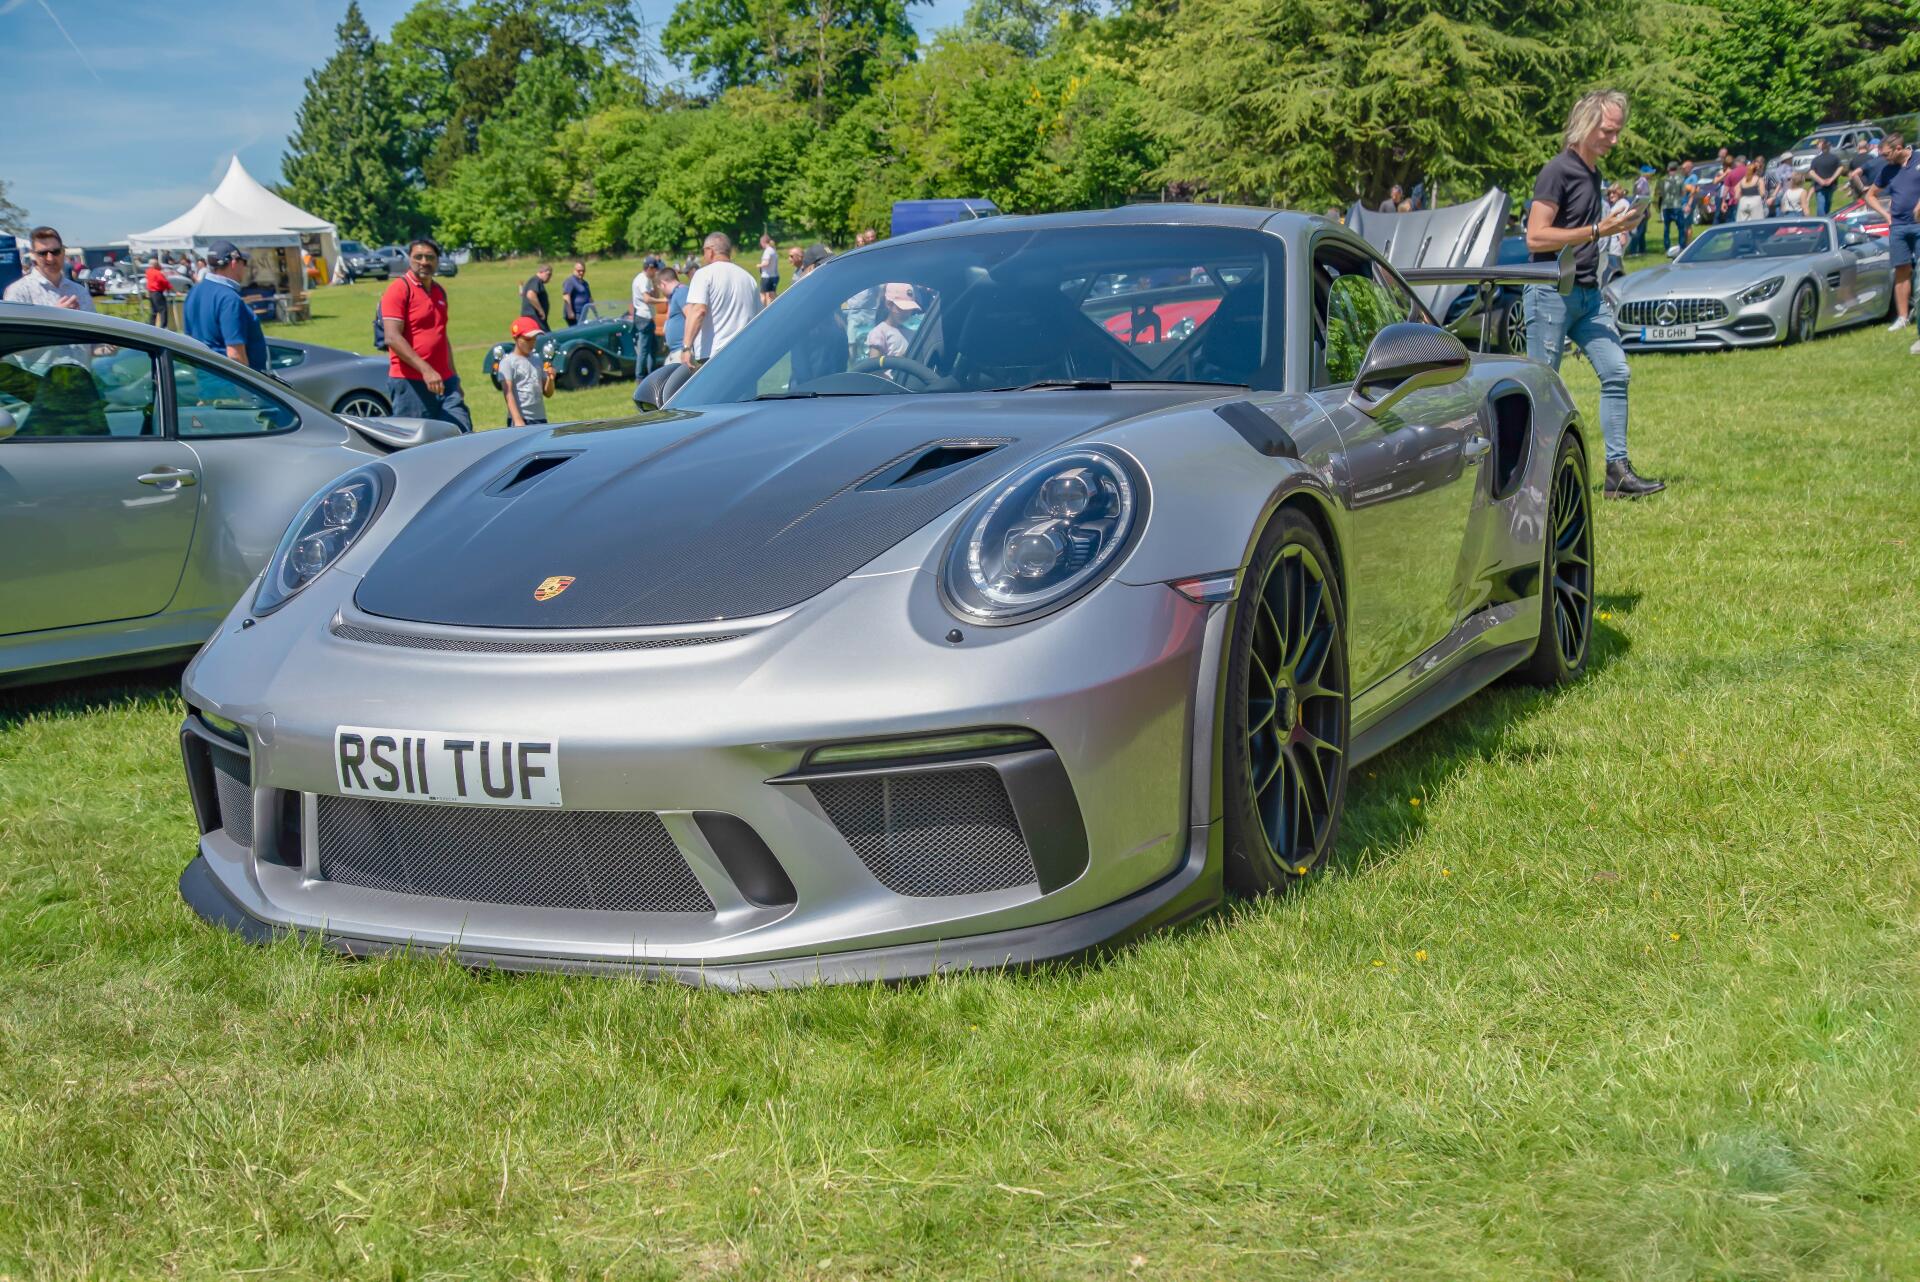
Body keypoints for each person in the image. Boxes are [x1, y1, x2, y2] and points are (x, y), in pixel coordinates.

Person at [1524, 89, 1663, 498]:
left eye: (1618, 131)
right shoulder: (1558, 171)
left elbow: (1585, 229)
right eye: (1608, 130)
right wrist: (1600, 230)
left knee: (1616, 370)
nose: (1614, 140)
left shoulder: (1592, 172)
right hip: (1550, 291)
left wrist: (1618, 221)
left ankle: (1617, 474)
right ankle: (1534, 482)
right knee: (1544, 388)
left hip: (1587, 293)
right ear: (1586, 123)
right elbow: (1536, 236)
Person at [380, 238, 472, 432]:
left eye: (430, 257)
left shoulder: (439, 291)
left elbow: (441, 336)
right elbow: (392, 337)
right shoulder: (399, 289)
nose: (424, 262)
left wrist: (454, 376)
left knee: (462, 433)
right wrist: (426, 370)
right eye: (418, 257)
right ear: (409, 259)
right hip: (411, 383)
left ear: (437, 261)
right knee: (415, 446)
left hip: (445, 381)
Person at [1864, 133, 1919, 347]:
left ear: (1898, 148)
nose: (1884, 158)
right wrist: (1886, 216)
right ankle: (1903, 317)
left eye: (1886, 154)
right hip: (1898, 226)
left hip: (1919, 224)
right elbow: (1870, 195)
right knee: (1901, 270)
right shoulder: (1887, 170)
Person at [677, 231, 761, 366]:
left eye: (703, 251)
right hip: (746, 354)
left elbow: (699, 311)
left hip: (715, 354)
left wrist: (686, 347)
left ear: (710, 251)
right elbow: (758, 319)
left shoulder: (703, 274)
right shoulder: (749, 279)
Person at [182, 239, 267, 370]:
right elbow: (235, 353)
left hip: (205, 377)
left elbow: (188, 339)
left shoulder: (194, 292)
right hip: (228, 385)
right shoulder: (229, 298)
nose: (244, 267)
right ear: (234, 262)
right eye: (243, 263)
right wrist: (248, 388)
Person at [3, 226, 95, 310]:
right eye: (42, 253)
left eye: (55, 252)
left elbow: (93, 325)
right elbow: (15, 328)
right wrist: (56, 314)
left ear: (63, 252)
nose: (50, 258)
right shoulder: (19, 290)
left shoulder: (79, 291)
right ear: (33, 255)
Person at [499, 316, 555, 428]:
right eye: (528, 339)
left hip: (540, 419)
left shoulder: (537, 360)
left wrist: (551, 379)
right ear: (516, 338)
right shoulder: (508, 362)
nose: (532, 343)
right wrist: (518, 420)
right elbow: (508, 393)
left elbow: (548, 393)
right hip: (521, 419)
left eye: (535, 339)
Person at [864, 283, 920, 360]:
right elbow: (873, 368)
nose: (906, 313)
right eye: (902, 308)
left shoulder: (911, 333)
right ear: (889, 304)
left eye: (909, 309)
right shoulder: (879, 333)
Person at [1601, 183, 1631, 281]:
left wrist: (1623, 234)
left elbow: (1624, 219)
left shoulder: (1623, 203)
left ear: (1619, 193)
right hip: (1613, 237)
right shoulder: (1615, 204)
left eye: (1613, 193)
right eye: (1609, 193)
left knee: (1615, 260)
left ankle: (1619, 280)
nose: (1611, 195)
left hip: (1618, 237)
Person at [1659, 161, 1690, 251]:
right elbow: (1683, 192)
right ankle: (1681, 245)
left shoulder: (1664, 180)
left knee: (1666, 228)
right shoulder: (1680, 179)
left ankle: (1667, 246)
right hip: (1676, 205)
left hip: (1666, 206)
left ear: (1668, 169)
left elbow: (1660, 193)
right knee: (1681, 227)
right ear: (1677, 169)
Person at [1807, 139, 1843, 215]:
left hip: (1820, 186)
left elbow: (1811, 172)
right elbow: (1840, 168)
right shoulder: (1834, 158)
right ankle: (1826, 219)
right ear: (1829, 147)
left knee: (1821, 205)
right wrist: (1832, 179)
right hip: (1831, 185)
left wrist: (1820, 181)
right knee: (1828, 203)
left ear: (1821, 148)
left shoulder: (1816, 160)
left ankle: (1821, 221)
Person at [1629, 164, 1654, 254]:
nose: (1651, 175)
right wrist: (1647, 210)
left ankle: (1642, 249)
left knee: (1642, 230)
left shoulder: (1640, 182)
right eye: (1650, 173)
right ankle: (1634, 250)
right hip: (1642, 209)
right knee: (1638, 230)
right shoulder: (1642, 182)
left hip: (1641, 208)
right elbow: (1643, 198)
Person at [520, 263, 552, 331]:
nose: (549, 277)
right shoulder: (536, 280)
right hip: (534, 318)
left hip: (533, 318)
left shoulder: (535, 281)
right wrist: (540, 310)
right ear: (541, 272)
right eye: (548, 274)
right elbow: (530, 294)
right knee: (548, 339)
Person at [561, 259, 592, 326]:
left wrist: (595, 311)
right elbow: (566, 296)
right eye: (579, 271)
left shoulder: (585, 283)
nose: (581, 273)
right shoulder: (570, 281)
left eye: (583, 271)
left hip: (583, 312)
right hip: (575, 314)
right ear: (574, 270)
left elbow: (589, 298)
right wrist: (570, 312)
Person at [143, 258, 172, 328]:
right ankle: (163, 326)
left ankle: (151, 326)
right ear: (156, 265)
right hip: (157, 293)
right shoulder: (157, 273)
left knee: (154, 310)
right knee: (163, 310)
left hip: (151, 293)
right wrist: (170, 288)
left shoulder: (148, 272)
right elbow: (164, 282)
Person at [758, 233, 779, 305]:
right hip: (774, 276)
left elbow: (766, 263)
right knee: (772, 295)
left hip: (767, 276)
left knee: (763, 295)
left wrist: (759, 265)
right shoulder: (773, 250)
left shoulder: (767, 251)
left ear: (762, 242)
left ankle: (762, 311)